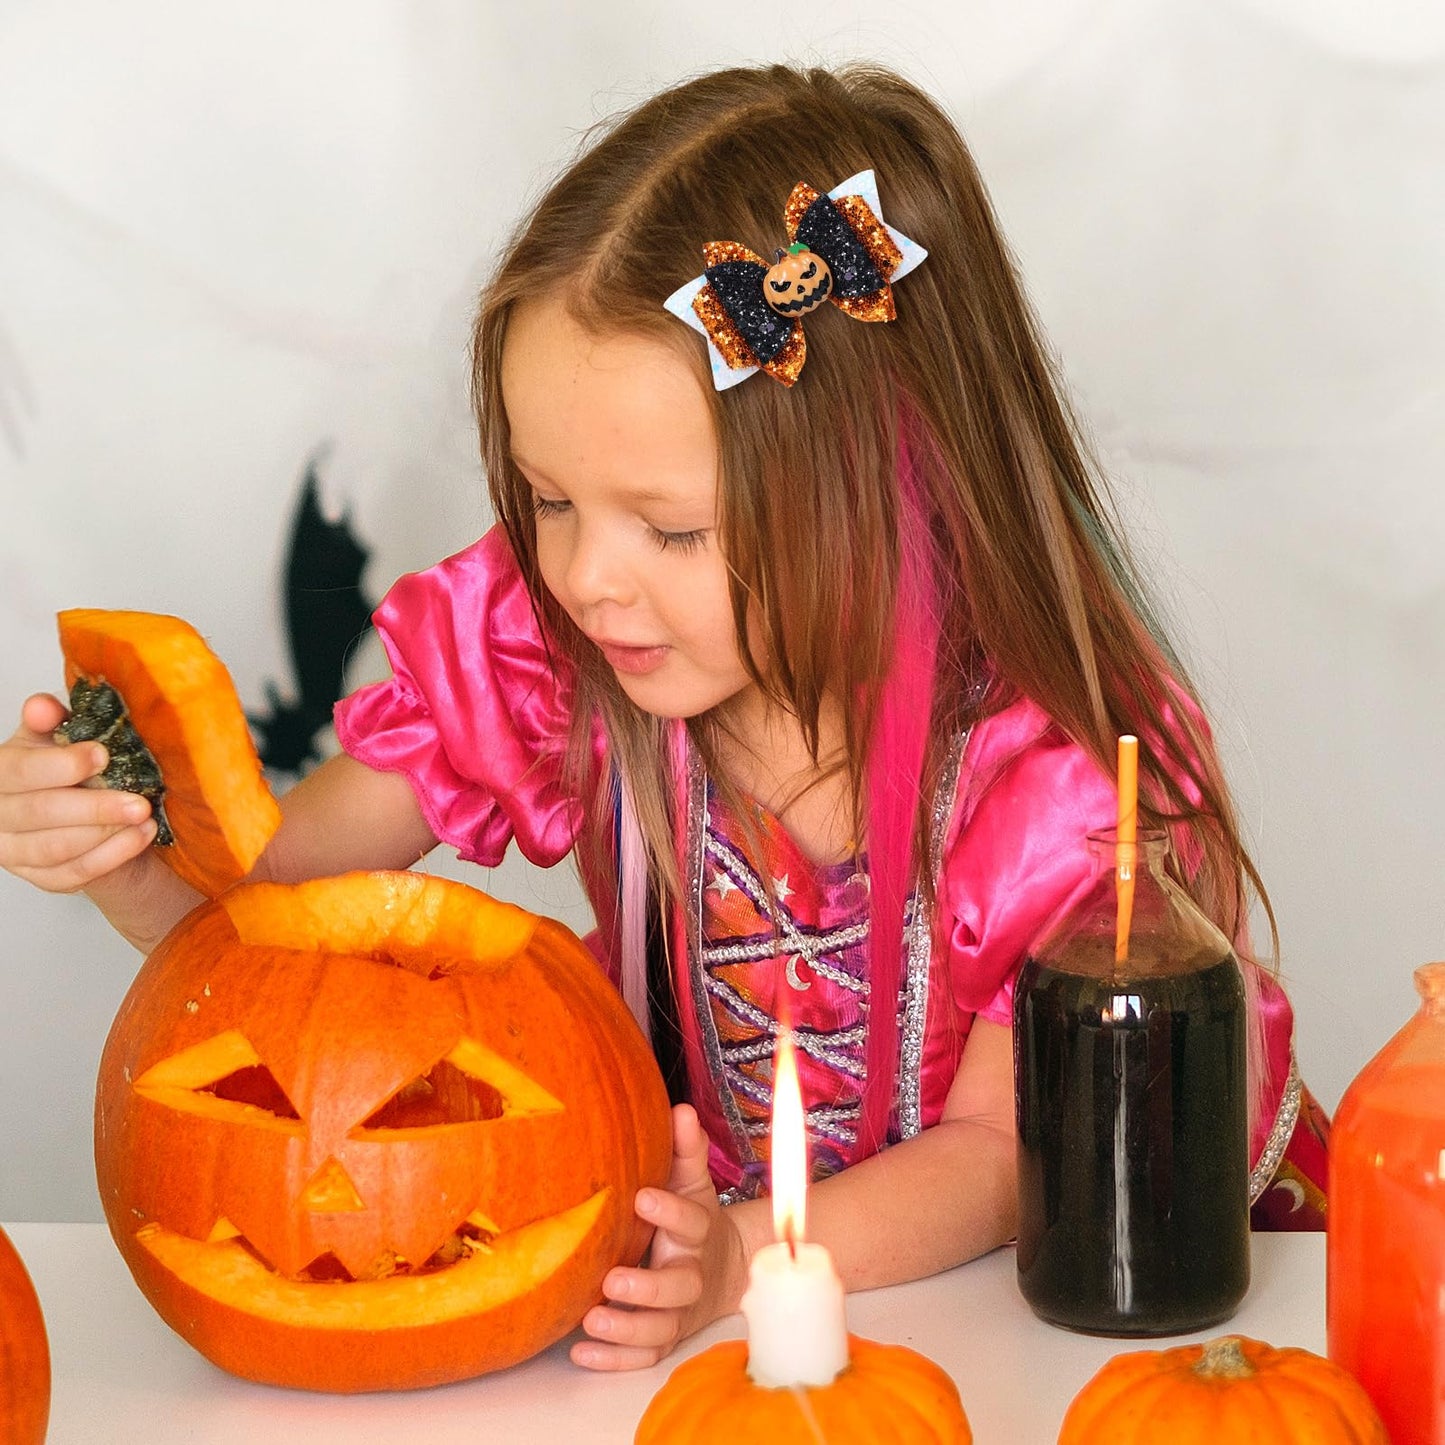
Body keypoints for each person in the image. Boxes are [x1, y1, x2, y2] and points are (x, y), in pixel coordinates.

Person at [0, 63, 1327, 1370]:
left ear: (889, 489)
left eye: (670, 527)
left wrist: (741, 1258)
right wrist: (122, 861)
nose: (585, 576)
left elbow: (999, 1157)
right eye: (551, 496)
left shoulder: (1050, 772)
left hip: (1061, 1329)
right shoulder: (557, 647)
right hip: (733, 1319)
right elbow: (261, 935)